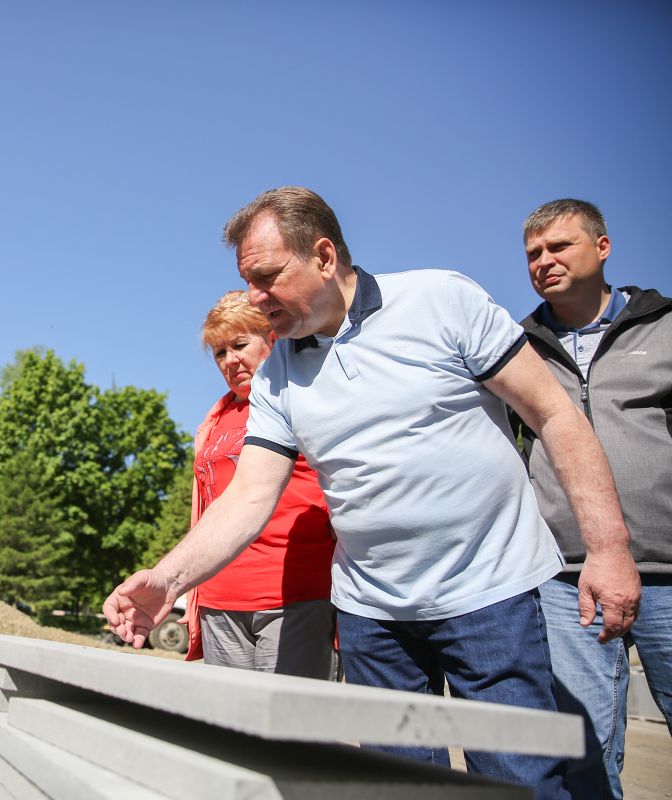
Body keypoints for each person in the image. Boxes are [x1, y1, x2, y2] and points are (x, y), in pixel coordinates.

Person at [103, 186, 641, 797]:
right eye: (246, 281)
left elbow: (555, 416)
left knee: (519, 781)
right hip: (373, 619)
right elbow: (250, 497)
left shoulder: (441, 300)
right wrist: (168, 580)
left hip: (490, 594)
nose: (255, 297)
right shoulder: (279, 375)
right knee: (395, 787)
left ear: (325, 256)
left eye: (268, 277)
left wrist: (608, 546)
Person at [517, 198, 671, 799]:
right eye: (533, 254)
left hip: (666, 566)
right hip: (565, 576)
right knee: (581, 748)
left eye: (559, 247)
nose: (544, 261)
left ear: (602, 248)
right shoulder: (517, 347)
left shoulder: (662, 328)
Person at [184, 290, 334, 676]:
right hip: (220, 595)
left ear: (272, 338)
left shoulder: (306, 395)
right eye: (219, 352)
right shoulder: (216, 417)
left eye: (239, 344)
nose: (229, 361)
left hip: (296, 594)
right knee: (230, 731)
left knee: (290, 730)